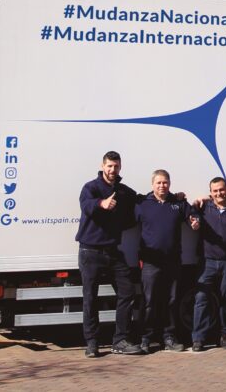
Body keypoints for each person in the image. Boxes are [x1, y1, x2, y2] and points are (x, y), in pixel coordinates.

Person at [76, 151, 143, 357]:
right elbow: (86, 205)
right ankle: (92, 343)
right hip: (90, 251)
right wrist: (101, 204)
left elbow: (141, 199)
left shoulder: (123, 191)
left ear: (120, 167)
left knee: (128, 292)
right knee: (90, 298)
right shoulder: (91, 187)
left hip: (113, 251)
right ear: (103, 166)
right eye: (109, 166)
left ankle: (120, 340)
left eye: (116, 166)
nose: (112, 170)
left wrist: (174, 198)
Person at [135, 169, 200, 353]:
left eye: (165, 182)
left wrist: (195, 221)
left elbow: (193, 216)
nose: (162, 186)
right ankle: (145, 338)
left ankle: (169, 337)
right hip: (150, 263)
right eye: (159, 183)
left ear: (169, 184)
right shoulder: (142, 204)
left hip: (172, 261)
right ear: (152, 184)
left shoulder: (178, 203)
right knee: (149, 302)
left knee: (171, 301)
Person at [190, 177, 226, 352]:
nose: (218, 193)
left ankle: (225, 336)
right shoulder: (205, 207)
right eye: (215, 191)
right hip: (207, 262)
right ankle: (198, 339)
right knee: (201, 300)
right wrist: (193, 220)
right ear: (210, 193)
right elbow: (191, 214)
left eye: (221, 190)